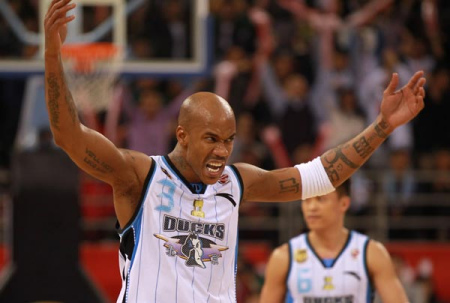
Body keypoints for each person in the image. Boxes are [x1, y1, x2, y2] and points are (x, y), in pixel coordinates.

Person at [44, 1, 425, 302]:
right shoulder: (140, 177)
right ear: (183, 135)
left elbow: (324, 175)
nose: (223, 150)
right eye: (212, 138)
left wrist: (383, 126)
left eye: (229, 140)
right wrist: (52, 55)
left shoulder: (236, 182)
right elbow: (69, 136)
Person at [259, 180, 410, 303]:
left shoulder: (372, 252)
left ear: (343, 204)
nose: (311, 207)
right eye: (306, 200)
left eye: (321, 199)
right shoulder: (283, 256)